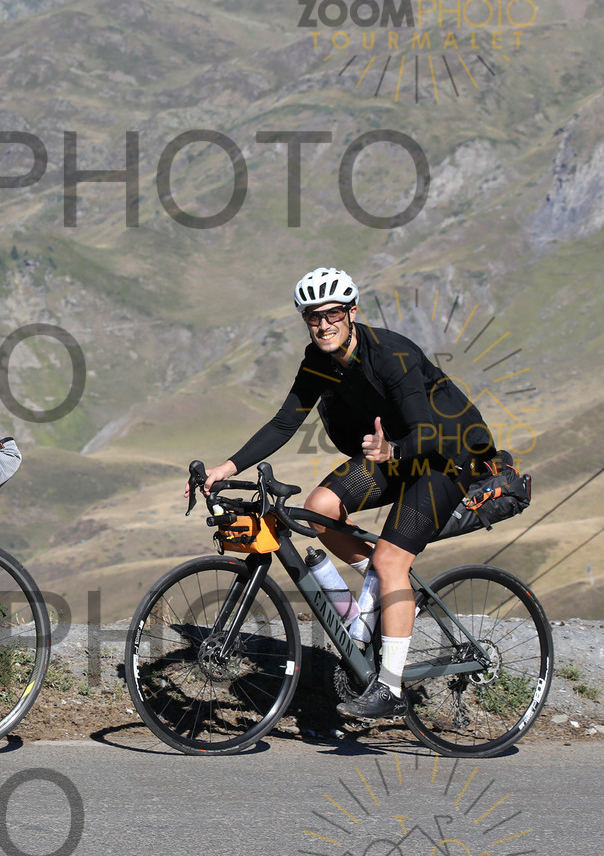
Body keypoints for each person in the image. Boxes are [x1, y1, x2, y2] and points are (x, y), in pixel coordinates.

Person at [192, 267, 497, 719]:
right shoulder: (317, 361)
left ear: (352, 312)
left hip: (447, 456)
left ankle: (390, 688)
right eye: (312, 317)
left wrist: (393, 450)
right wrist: (229, 466)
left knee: (391, 561)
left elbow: (429, 431)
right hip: (391, 453)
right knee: (320, 508)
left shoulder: (391, 355)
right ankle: (374, 603)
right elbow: (284, 422)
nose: (323, 325)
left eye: (332, 314)